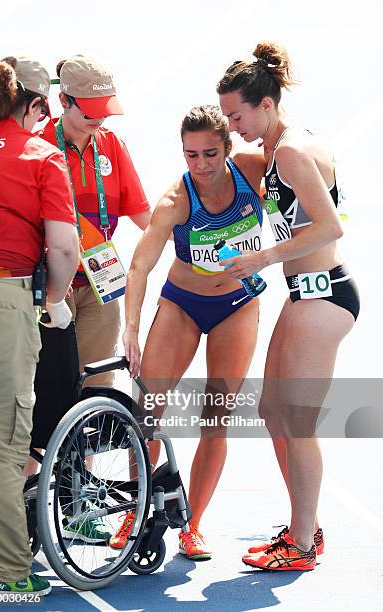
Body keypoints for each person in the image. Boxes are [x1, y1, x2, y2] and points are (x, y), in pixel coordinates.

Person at [217, 41, 360, 571]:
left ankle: (302, 541)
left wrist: (261, 259)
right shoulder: (279, 149)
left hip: (324, 293)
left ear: (266, 105)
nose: (234, 126)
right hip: (309, 292)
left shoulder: (293, 151)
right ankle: (304, 526)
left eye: (237, 115)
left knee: (296, 421)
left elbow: (331, 226)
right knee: (271, 410)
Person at [118, 105, 266, 559]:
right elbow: (140, 266)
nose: (200, 165)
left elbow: (303, 163)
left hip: (237, 306)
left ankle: (193, 523)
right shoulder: (176, 200)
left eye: (210, 154)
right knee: (149, 412)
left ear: (229, 147)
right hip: (183, 305)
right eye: (190, 155)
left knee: (215, 419)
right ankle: (136, 508)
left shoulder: (255, 170)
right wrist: (132, 331)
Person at [27, 55, 151, 543]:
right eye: (89, 110)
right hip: (49, 289)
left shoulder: (112, 146)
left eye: (105, 109)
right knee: (43, 395)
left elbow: (146, 216)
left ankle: (81, 503)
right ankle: (31, 499)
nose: (99, 119)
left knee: (96, 393)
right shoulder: (38, 147)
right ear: (63, 102)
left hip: (99, 287)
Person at [0, 56, 79, 596]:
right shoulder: (41, 154)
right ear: (37, 105)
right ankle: (6, 571)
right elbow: (63, 247)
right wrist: (55, 303)